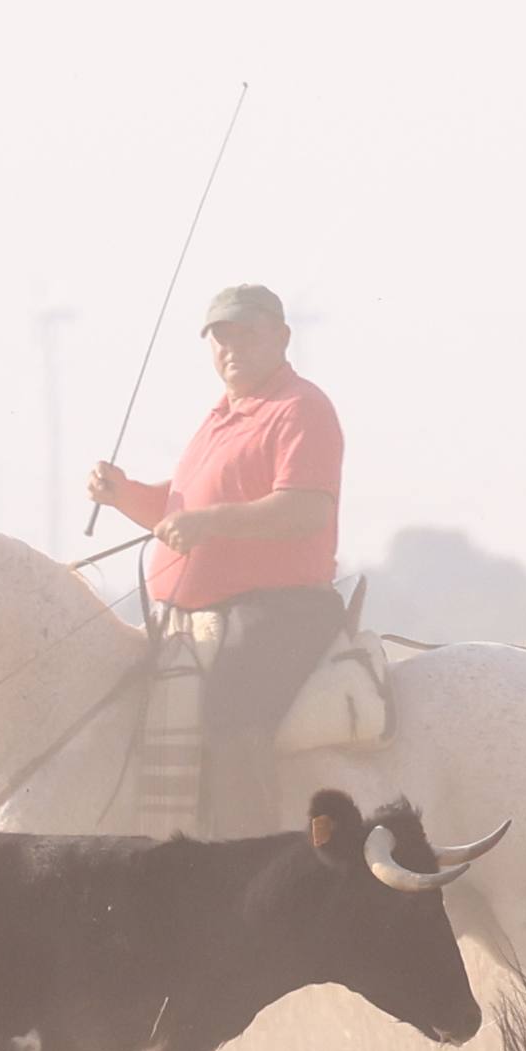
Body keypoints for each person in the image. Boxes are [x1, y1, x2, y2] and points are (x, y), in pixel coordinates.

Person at [85, 283, 344, 837]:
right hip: (196, 613)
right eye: (221, 338)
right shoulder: (221, 416)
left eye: (247, 335)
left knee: (230, 706)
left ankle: (250, 859)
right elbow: (177, 507)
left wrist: (209, 523)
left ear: (282, 337)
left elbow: (305, 509)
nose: (232, 349)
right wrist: (123, 492)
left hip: (281, 609)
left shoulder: (301, 407)